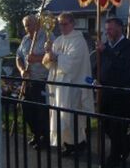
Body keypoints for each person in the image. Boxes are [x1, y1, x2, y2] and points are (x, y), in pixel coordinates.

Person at [44, 12, 94, 156]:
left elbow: (72, 63)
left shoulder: (79, 40)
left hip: (73, 84)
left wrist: (55, 56)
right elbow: (48, 63)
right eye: (60, 24)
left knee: (72, 116)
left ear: (73, 24)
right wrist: (48, 52)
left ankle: (78, 144)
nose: (62, 27)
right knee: (60, 115)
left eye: (65, 23)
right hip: (59, 85)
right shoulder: (58, 40)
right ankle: (67, 143)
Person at [95, 17, 130, 168]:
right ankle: (126, 144)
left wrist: (107, 52)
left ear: (120, 28)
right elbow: (100, 66)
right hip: (106, 91)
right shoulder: (105, 46)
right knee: (104, 122)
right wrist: (95, 78)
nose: (108, 32)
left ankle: (113, 159)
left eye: (111, 29)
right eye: (106, 30)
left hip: (121, 92)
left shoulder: (128, 46)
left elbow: (124, 66)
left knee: (117, 126)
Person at [16, 15, 51, 150]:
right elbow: (18, 57)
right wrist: (21, 70)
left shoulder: (47, 36)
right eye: (26, 25)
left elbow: (53, 56)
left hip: (42, 80)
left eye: (30, 24)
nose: (28, 28)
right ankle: (36, 134)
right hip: (28, 80)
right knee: (27, 110)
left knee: (41, 112)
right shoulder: (25, 40)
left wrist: (36, 58)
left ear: (37, 24)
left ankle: (45, 137)